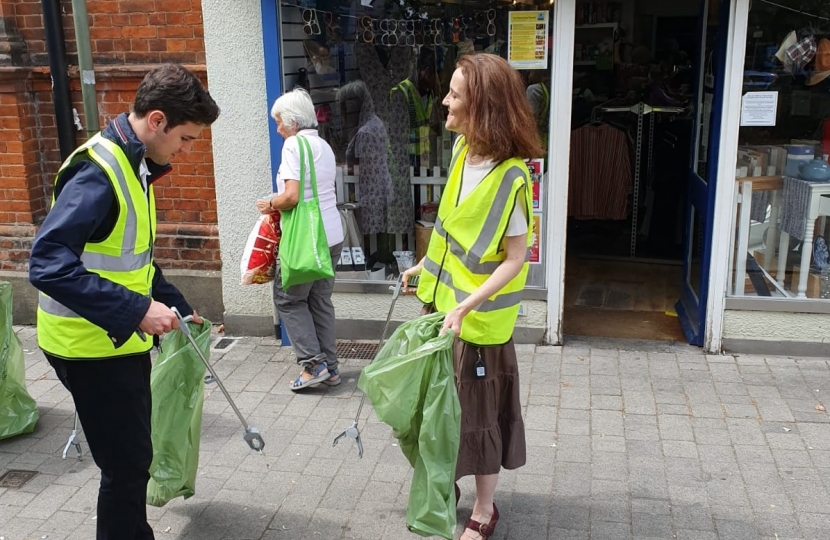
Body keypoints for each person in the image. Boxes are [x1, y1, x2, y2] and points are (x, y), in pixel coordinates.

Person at [28, 64, 220, 540]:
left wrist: (172, 303)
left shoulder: (134, 164)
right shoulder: (100, 172)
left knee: (132, 457)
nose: (187, 151)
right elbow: (47, 263)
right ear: (157, 120)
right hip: (89, 346)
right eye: (187, 138)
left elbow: (130, 260)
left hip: (114, 341)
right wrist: (137, 310)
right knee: (127, 464)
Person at [402, 53, 543, 540]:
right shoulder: (463, 151)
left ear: (481, 105)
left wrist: (466, 305)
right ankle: (449, 484)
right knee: (440, 408)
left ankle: (485, 509)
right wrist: (423, 267)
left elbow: (515, 257)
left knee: (479, 416)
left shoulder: (513, 177)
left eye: (455, 94)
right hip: (442, 308)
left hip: (477, 324)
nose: (444, 99)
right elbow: (449, 228)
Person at [256, 87, 345, 391]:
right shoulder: (324, 146)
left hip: (308, 237)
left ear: (293, 122)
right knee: (319, 300)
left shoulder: (293, 146)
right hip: (332, 233)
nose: (278, 129)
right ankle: (331, 368)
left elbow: (292, 197)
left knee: (288, 298)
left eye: (280, 122)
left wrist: (271, 203)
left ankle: (312, 364)